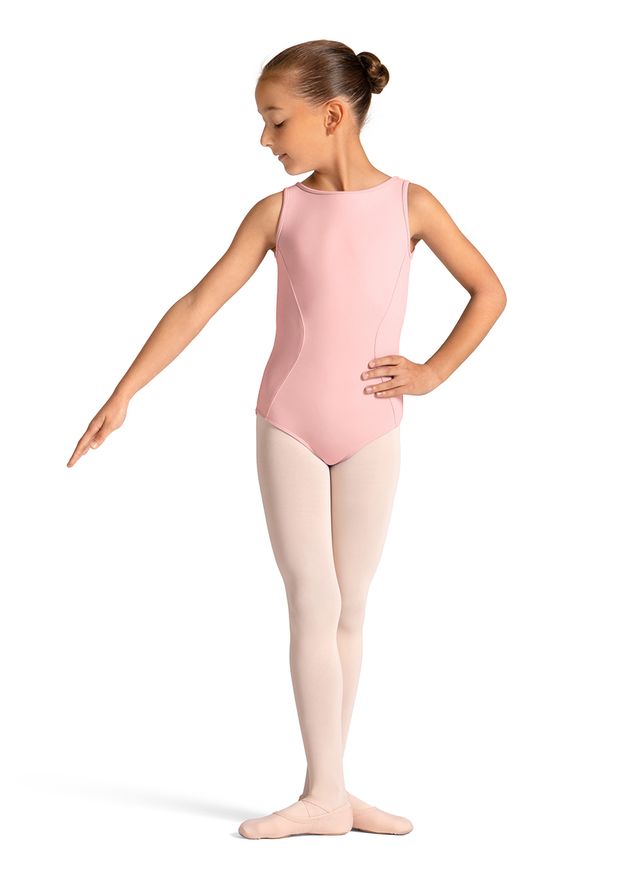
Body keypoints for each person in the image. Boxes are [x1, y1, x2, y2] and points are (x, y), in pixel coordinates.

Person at [67, 39, 507, 839]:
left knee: (351, 606)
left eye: (276, 121)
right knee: (314, 597)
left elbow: (488, 290)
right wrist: (124, 391)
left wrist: (433, 371)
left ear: (332, 115)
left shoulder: (412, 204)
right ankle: (326, 794)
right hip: (290, 424)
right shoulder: (278, 213)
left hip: (374, 425)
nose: (265, 139)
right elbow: (198, 303)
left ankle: (329, 788)